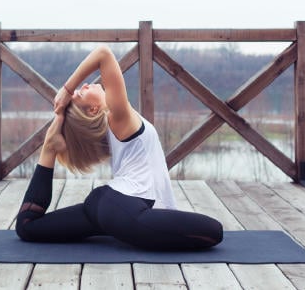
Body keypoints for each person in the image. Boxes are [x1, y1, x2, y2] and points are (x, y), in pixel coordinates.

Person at [15, 45, 223, 251]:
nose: (85, 85)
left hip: (107, 206)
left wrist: (66, 107)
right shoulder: (118, 118)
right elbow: (103, 54)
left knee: (28, 227)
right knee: (214, 231)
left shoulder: (110, 127)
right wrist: (67, 90)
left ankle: (49, 149)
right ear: (94, 108)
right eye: (81, 93)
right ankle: (50, 147)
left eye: (80, 88)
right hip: (124, 207)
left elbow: (103, 58)